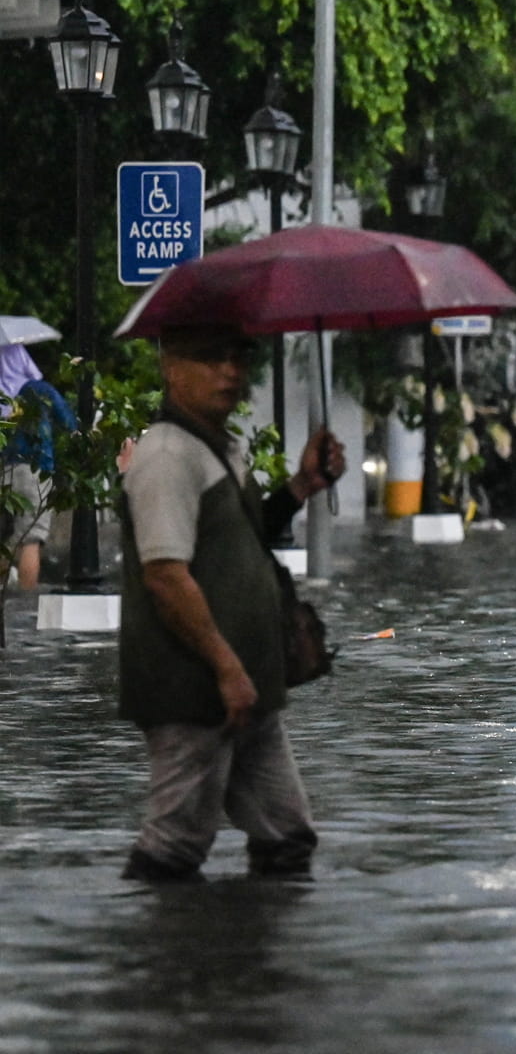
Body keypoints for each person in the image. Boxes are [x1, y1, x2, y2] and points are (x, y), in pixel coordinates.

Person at [118, 325, 345, 883]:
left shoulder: (217, 448)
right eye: (211, 356)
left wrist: (301, 486)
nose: (230, 371)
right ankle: (156, 959)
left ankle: (248, 956)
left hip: (244, 685)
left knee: (287, 834)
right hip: (196, 688)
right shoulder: (168, 456)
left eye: (239, 356)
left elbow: (240, 541)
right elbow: (166, 577)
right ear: (171, 365)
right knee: (174, 845)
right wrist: (224, 667)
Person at [0, 344, 77, 590]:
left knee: (9, 541)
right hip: (35, 470)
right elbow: (69, 422)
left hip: (4, 471)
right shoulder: (38, 390)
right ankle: (25, 605)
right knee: (32, 538)